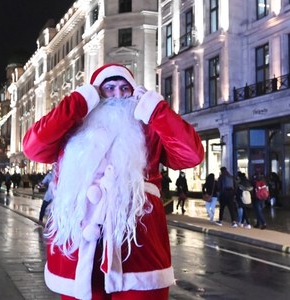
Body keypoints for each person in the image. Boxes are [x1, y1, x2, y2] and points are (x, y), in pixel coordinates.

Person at [22, 63, 204, 299]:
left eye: (124, 88)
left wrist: (156, 110)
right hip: (80, 252)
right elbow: (32, 147)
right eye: (109, 88)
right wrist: (78, 102)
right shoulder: (73, 128)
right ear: (96, 93)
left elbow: (191, 154)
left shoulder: (148, 128)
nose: (118, 95)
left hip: (137, 247)